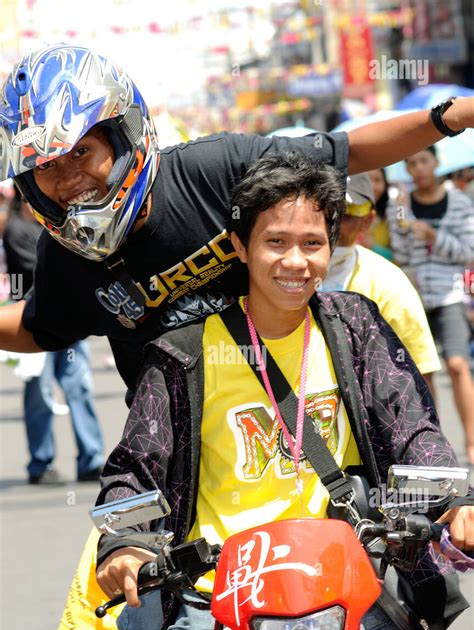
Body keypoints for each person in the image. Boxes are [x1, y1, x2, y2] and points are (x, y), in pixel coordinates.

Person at [96, 153, 473, 630]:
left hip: (350, 599)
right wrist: (123, 544)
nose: (296, 261)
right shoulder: (182, 355)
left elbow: (414, 430)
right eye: (275, 242)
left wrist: (453, 502)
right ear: (240, 246)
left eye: (312, 243)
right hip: (215, 612)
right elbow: (135, 469)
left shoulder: (357, 327)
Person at [1, 44, 474, 402]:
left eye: (81, 151)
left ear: (122, 137)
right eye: (45, 166)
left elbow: (343, 152)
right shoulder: (65, 254)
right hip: (184, 454)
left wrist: (449, 118)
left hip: (304, 410)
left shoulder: (217, 168)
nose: (67, 177)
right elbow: (43, 326)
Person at [3, 190, 105, 483]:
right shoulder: (17, 230)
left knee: (80, 388)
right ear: (26, 202)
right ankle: (41, 462)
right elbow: (32, 273)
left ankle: (91, 459)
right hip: (32, 320)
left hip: (68, 318)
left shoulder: (55, 226)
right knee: (41, 394)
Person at [387, 145, 474, 465]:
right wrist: (401, 217)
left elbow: (468, 252)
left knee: (457, 364)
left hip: (450, 294)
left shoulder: (460, 202)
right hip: (416, 296)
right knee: (424, 372)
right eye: (411, 162)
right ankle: (437, 445)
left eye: (424, 160)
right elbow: (404, 254)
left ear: (437, 162)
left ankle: (472, 442)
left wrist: (434, 236)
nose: (418, 168)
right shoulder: (400, 206)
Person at [321, 171, 441, 388]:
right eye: (325, 212)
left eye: (346, 215)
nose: (332, 226)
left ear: (367, 221)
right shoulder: (278, 273)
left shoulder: (390, 283)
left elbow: (420, 375)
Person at [361, 167, 393, 261]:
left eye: (377, 180)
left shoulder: (394, 212)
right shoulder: (347, 214)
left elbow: (399, 257)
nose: (372, 186)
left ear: (385, 184)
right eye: (367, 180)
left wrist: (373, 247)